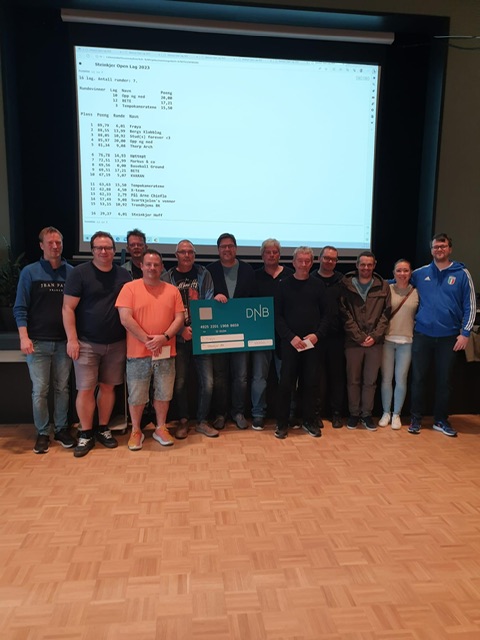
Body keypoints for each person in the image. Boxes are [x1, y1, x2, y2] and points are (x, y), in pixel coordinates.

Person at [62, 231, 132, 457]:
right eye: (99, 248)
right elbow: (68, 308)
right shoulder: (79, 273)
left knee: (108, 387)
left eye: (108, 248)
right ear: (92, 250)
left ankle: (103, 428)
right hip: (86, 343)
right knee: (85, 389)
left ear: (114, 250)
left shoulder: (123, 275)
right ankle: (85, 433)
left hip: (117, 343)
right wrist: (72, 339)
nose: (104, 251)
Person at [13, 226, 75, 454]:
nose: (55, 246)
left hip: (64, 342)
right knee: (40, 390)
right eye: (50, 243)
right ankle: (42, 432)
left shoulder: (72, 273)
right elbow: (20, 307)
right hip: (37, 342)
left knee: (62, 388)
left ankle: (61, 429)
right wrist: (23, 337)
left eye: (58, 242)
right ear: (41, 245)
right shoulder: (29, 272)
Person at [116, 250, 185, 450]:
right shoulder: (129, 288)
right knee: (137, 394)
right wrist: (148, 341)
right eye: (148, 264)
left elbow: (179, 318)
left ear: (162, 267)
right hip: (138, 353)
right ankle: (136, 431)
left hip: (166, 352)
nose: (152, 268)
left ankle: (161, 427)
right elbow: (125, 318)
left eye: (156, 265)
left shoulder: (172, 291)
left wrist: (163, 338)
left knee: (164, 392)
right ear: (141, 266)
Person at [408, 233, 475, 437]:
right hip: (423, 335)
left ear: (450, 249)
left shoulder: (462, 274)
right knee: (418, 379)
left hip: (449, 337)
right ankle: (415, 418)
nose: (439, 250)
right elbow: (398, 281)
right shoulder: (420, 273)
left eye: (443, 246)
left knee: (444, 381)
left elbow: (470, 305)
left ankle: (440, 420)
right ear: (431, 250)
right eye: (436, 247)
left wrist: (465, 333)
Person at [161, 240, 218, 439]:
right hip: (178, 340)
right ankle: (183, 421)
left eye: (190, 252)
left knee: (208, 383)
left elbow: (208, 302)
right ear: (176, 255)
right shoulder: (167, 277)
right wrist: (180, 331)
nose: (187, 255)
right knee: (179, 383)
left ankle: (202, 421)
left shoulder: (204, 274)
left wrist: (198, 328)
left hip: (202, 338)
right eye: (183, 252)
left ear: (194, 255)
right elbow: (164, 309)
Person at [274, 246, 328, 439]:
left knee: (310, 384)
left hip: (312, 344)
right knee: (285, 384)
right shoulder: (283, 285)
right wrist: (291, 337)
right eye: (300, 261)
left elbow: (327, 315)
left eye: (307, 261)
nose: (304, 264)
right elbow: (277, 316)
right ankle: (282, 423)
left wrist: (317, 335)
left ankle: (309, 421)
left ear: (312, 263)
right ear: (293, 262)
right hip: (290, 344)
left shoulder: (318, 285)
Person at [207, 233, 256, 430]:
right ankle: (221, 414)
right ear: (218, 249)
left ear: (236, 248)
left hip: (242, 332)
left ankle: (238, 412)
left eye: (230, 246)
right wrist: (212, 298)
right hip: (218, 332)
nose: (227, 249)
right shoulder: (210, 270)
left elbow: (253, 299)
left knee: (241, 376)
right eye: (223, 246)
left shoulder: (247, 269)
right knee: (220, 376)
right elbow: (204, 297)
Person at [340, 251, 391, 431]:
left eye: (369, 264)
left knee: (370, 381)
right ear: (357, 265)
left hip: (375, 343)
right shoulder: (346, 285)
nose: (366, 268)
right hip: (353, 342)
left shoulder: (383, 286)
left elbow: (386, 314)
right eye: (363, 264)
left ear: (374, 265)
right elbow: (344, 313)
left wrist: (374, 336)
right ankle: (354, 414)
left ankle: (366, 414)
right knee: (353, 380)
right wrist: (359, 336)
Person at [251, 239, 293, 431]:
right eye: (268, 252)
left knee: (286, 377)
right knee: (259, 377)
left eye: (275, 252)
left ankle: (288, 413)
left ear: (279, 254)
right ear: (262, 255)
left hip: (285, 336)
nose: (271, 255)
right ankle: (258, 413)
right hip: (260, 335)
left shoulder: (290, 275)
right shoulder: (254, 277)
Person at [378, 259, 419, 430]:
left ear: (411, 273)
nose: (402, 274)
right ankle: (386, 412)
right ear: (393, 273)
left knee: (401, 379)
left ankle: (396, 414)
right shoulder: (387, 289)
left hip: (407, 342)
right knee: (386, 379)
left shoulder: (416, 292)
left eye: (406, 270)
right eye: (399, 270)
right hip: (387, 340)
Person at [312, 245, 346, 428]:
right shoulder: (311, 279)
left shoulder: (342, 281)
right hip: (316, 337)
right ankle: (316, 413)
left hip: (337, 336)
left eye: (333, 259)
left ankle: (336, 413)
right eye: (326, 258)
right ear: (319, 259)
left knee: (336, 377)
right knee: (316, 378)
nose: (329, 261)